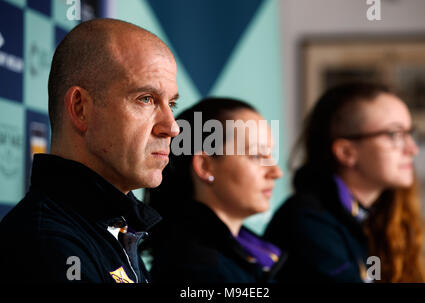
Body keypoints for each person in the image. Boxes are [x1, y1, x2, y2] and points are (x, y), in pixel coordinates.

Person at [0, 18, 180, 283]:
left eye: (171, 104)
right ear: (80, 109)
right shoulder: (48, 246)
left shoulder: (108, 230)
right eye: (146, 99)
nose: (172, 127)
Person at [264, 82, 425, 283]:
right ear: (347, 152)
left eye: (410, 134)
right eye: (395, 135)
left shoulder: (376, 216)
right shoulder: (308, 222)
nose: (412, 149)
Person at [145, 97, 285, 283]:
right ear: (205, 166)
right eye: (257, 155)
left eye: (271, 155)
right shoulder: (197, 269)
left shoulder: (245, 255)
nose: (276, 172)